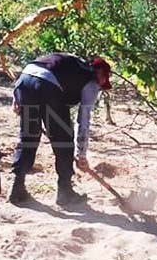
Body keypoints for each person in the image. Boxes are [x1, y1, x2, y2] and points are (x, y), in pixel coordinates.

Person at [8, 53, 112, 206]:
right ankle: (65, 191)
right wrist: (81, 154)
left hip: (25, 80)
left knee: (28, 136)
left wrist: (17, 96)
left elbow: (33, 70)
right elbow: (83, 120)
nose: (102, 85)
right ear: (100, 73)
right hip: (47, 85)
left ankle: (17, 187)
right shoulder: (91, 80)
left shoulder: (71, 63)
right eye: (104, 80)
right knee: (63, 139)